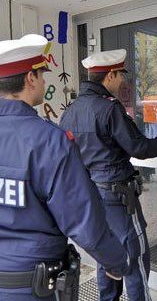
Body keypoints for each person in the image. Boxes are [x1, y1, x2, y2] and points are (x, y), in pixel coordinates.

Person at [0, 34, 130, 301]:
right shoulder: (48, 140)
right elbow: (83, 221)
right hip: (31, 287)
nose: (44, 80)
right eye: (42, 74)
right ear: (30, 78)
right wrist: (116, 263)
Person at [60, 49, 157, 301]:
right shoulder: (109, 108)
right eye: (120, 76)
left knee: (107, 253)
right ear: (110, 75)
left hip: (90, 193)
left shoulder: (71, 110)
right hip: (118, 196)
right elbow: (138, 147)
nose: (122, 81)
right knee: (135, 254)